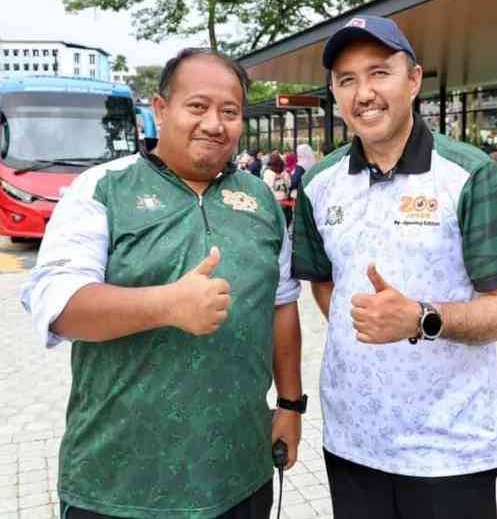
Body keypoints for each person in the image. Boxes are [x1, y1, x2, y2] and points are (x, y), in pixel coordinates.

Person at [20, 48, 304, 519]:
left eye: (229, 112)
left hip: (239, 474)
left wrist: (291, 406)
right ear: (160, 109)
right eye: (198, 106)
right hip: (119, 483)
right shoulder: (103, 188)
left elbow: (283, 305)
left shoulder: (260, 201)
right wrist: (167, 305)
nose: (214, 123)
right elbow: (58, 305)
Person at [292, 15, 497, 519]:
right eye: (346, 80)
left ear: (414, 80)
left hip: (450, 450)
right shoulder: (318, 183)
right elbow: (324, 283)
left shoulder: (469, 175)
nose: (364, 93)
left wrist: (420, 318)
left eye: (379, 73)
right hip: (352, 443)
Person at [264, 152, 293, 224]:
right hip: (285, 203)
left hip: (273, 203)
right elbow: (289, 185)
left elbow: (265, 187)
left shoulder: (268, 173)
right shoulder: (285, 174)